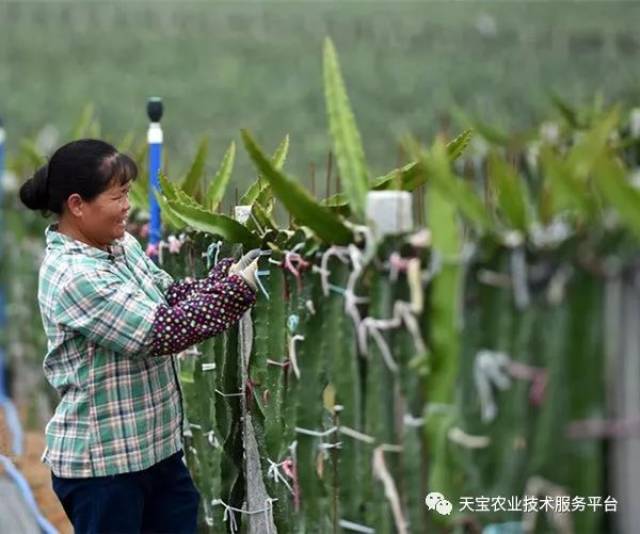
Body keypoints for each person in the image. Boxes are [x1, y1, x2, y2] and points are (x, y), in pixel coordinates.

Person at [18, 138, 260, 534]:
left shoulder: (120, 245)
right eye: (119, 195)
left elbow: (167, 295)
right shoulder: (74, 277)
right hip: (104, 469)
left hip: (157, 453)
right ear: (78, 205)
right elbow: (160, 331)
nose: (128, 205)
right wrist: (234, 293)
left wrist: (223, 278)